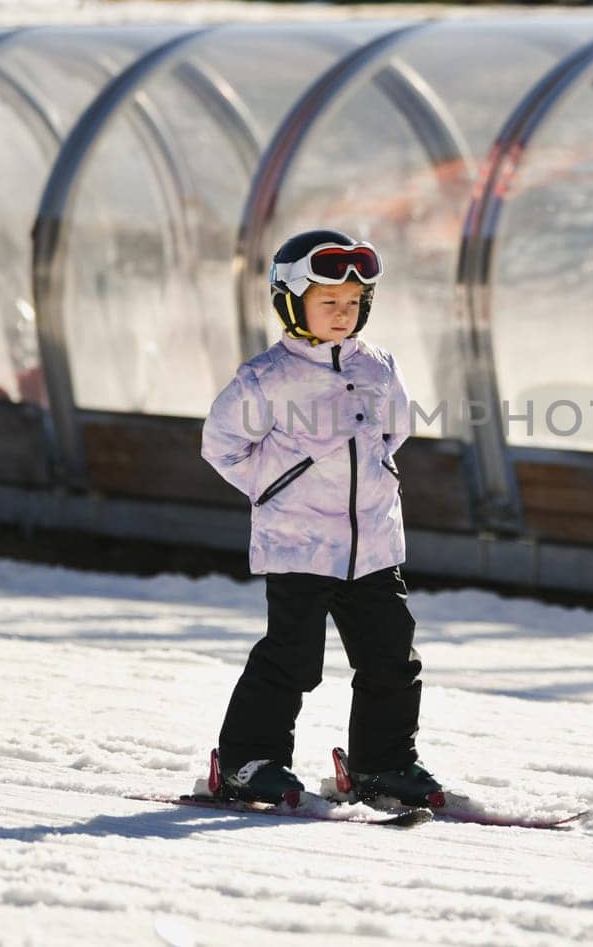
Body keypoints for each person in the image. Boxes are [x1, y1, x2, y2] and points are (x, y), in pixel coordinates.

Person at [198, 229, 441, 808]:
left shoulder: (380, 367)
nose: (343, 313)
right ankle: (247, 763)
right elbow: (222, 445)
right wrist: (279, 487)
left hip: (375, 545)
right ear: (291, 302)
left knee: (391, 658)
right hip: (299, 545)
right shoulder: (268, 377)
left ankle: (383, 765)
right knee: (293, 659)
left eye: (353, 303)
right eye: (328, 302)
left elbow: (394, 431)